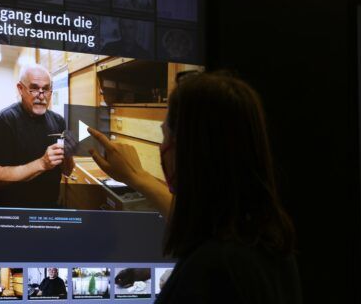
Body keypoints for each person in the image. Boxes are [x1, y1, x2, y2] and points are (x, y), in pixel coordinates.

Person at [87, 71, 302, 303]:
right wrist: (137, 177)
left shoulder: (211, 271)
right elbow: (198, 222)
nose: (162, 146)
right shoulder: (266, 240)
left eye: (165, 135)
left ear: (189, 151)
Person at [0, 64, 75, 208]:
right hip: (13, 209)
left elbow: (67, 170)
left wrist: (69, 154)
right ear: (20, 89)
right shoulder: (5, 121)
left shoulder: (58, 121)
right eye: (34, 88)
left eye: (46, 89)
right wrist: (42, 164)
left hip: (48, 205)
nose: (41, 95)